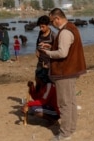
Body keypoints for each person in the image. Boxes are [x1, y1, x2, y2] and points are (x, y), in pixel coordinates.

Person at [39, 8, 87, 141]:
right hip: (70, 70)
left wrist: (46, 52)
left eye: (51, 21)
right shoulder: (72, 28)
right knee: (70, 102)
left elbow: (62, 53)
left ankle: (65, 133)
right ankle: (71, 128)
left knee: (64, 104)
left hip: (64, 72)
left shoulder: (65, 31)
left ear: (57, 19)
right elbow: (65, 49)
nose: (51, 24)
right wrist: (50, 47)